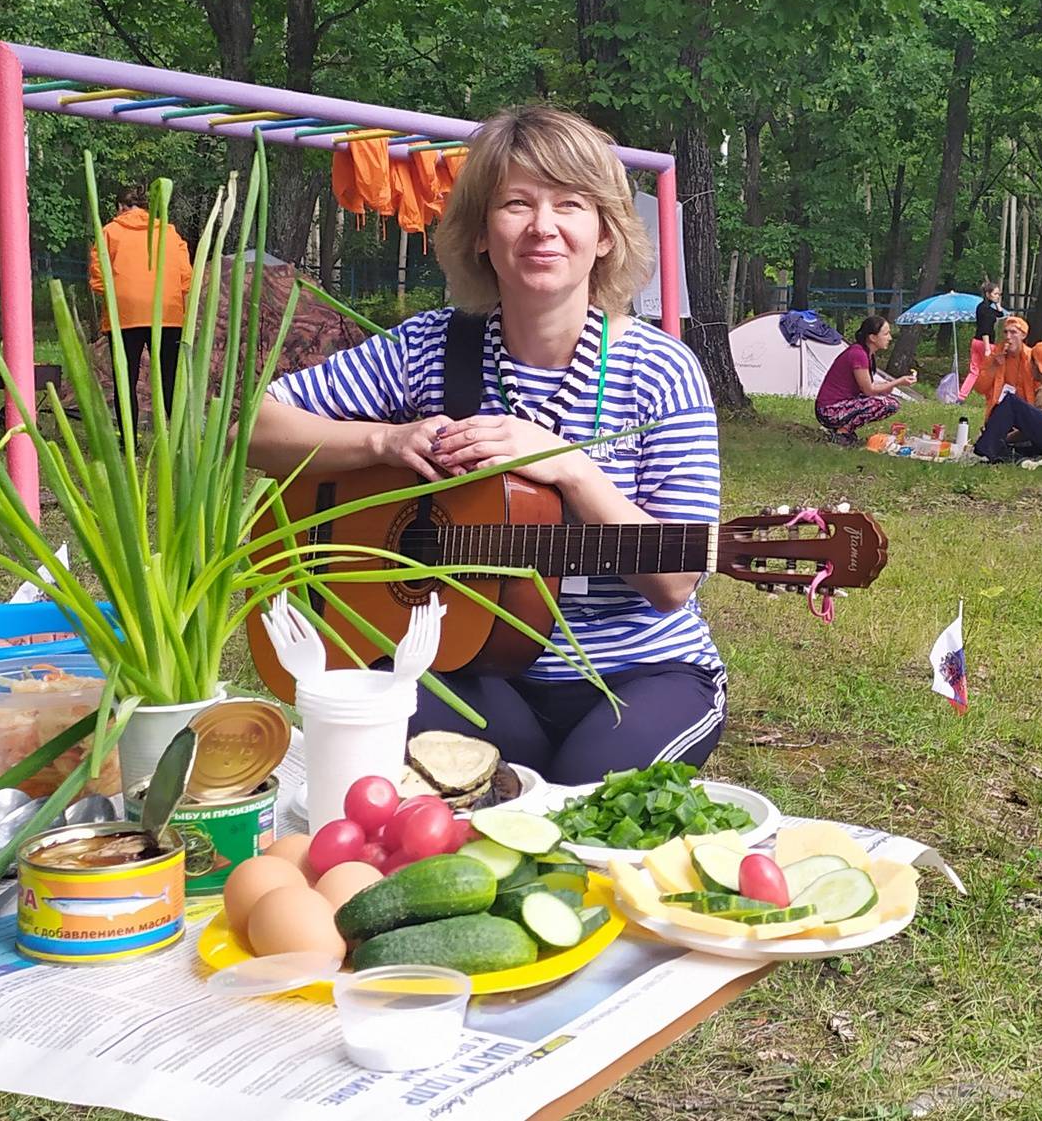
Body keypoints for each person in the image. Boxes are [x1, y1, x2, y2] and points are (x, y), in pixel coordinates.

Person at [247, 106, 726, 785]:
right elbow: (253, 428)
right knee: (436, 771)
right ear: (479, 233)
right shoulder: (431, 349)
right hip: (472, 663)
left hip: (643, 671)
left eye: (570, 204)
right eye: (516, 204)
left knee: (584, 799)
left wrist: (569, 467)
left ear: (606, 234)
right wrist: (384, 440)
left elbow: (673, 581)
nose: (543, 227)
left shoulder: (660, 371)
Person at [87, 184, 194, 426]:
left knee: (126, 380)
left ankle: (129, 443)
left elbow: (98, 278)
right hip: (167, 315)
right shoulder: (169, 232)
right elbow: (186, 278)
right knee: (169, 381)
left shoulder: (109, 232)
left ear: (120, 207)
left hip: (125, 316)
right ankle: (179, 443)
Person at [972, 342, 1042, 465]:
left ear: (1035, 365)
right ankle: (998, 449)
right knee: (1012, 449)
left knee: (1011, 403)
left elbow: (1034, 431)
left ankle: (984, 448)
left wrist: (1006, 437)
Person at [814, 316, 916, 445]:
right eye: (886, 334)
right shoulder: (859, 354)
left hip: (839, 405)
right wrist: (898, 382)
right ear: (872, 337)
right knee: (887, 404)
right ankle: (842, 433)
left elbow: (868, 386)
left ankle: (844, 431)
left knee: (886, 399)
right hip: (829, 410)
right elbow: (868, 390)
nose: (889, 338)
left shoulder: (866, 354)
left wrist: (887, 386)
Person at [967, 314, 1036, 423]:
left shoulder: (1032, 357)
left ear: (1023, 335)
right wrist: (994, 366)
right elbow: (979, 388)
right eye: (1006, 332)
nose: (1008, 336)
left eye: (1013, 332)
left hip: (1026, 412)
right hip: (999, 411)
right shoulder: (995, 354)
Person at [960, 279, 1004, 403]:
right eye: (995, 294)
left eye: (999, 294)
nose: (998, 296)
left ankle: (961, 396)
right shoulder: (986, 310)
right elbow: (985, 329)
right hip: (986, 343)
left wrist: (998, 304)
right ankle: (992, 396)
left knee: (974, 371)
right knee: (992, 371)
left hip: (976, 342)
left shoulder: (982, 307)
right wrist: (987, 349)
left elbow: (1000, 314)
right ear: (988, 294)